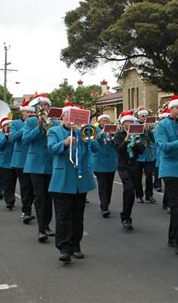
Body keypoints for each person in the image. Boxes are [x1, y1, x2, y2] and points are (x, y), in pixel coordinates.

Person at [47, 103, 99, 263]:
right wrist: (64, 143)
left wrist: (85, 133)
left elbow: (96, 148)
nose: (72, 120)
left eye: (75, 118)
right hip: (62, 180)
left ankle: (76, 245)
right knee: (63, 216)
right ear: (63, 117)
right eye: (69, 117)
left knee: (78, 216)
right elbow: (51, 149)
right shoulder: (54, 131)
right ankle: (64, 248)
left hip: (79, 180)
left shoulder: (84, 131)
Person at [154, 95, 178, 254]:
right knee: (176, 206)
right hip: (169, 169)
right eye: (177, 108)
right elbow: (163, 146)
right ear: (171, 109)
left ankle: (171, 237)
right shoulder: (161, 126)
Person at [22, 94, 58, 243]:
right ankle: (41, 229)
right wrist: (39, 127)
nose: (45, 108)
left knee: (49, 197)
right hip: (35, 164)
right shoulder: (30, 121)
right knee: (40, 196)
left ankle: (47, 225)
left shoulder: (54, 121)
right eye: (43, 105)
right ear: (37, 107)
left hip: (50, 164)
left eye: (47, 105)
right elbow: (25, 139)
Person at [113, 111, 145, 230]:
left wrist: (137, 143)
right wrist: (127, 138)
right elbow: (119, 150)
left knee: (132, 192)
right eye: (127, 122)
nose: (129, 123)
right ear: (123, 124)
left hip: (135, 165)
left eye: (131, 121)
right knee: (128, 189)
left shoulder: (137, 134)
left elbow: (142, 150)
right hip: (123, 165)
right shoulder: (118, 135)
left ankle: (127, 216)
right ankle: (125, 217)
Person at [10, 100, 35, 224]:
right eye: (27, 111)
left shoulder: (36, 123)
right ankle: (26, 211)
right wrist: (25, 127)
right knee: (25, 186)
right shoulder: (15, 123)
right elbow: (12, 138)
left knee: (33, 188)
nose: (29, 114)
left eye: (31, 112)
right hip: (20, 160)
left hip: (34, 160)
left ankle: (29, 208)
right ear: (22, 112)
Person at [93, 113, 117, 218]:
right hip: (99, 162)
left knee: (109, 186)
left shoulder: (113, 130)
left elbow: (116, 144)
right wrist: (102, 133)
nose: (106, 123)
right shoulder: (95, 130)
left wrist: (114, 135)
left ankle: (106, 204)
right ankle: (104, 208)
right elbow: (93, 140)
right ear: (100, 122)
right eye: (103, 121)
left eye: (107, 121)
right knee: (102, 186)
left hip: (111, 162)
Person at [0, 117, 17, 210]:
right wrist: (6, 137)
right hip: (4, 163)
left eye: (10, 125)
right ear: (3, 127)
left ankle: (11, 198)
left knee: (13, 182)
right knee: (7, 183)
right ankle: (9, 200)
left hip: (14, 162)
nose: (8, 127)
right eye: (6, 125)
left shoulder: (14, 134)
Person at [134, 107, 157, 204]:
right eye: (142, 116)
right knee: (138, 177)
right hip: (139, 155)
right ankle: (139, 195)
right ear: (138, 116)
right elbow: (136, 135)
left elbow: (153, 139)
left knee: (149, 176)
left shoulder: (149, 125)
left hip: (148, 155)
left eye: (146, 116)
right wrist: (144, 128)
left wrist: (151, 130)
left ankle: (149, 195)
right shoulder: (135, 124)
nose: (144, 117)